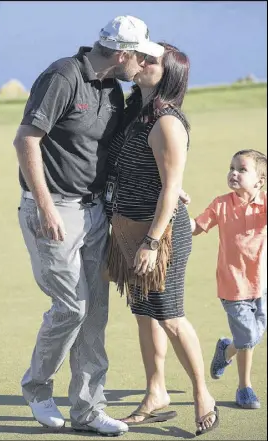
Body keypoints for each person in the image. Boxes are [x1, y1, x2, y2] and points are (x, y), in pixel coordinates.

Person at [13, 15, 165, 436]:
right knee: (71, 308)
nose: (143, 67)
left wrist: (164, 186)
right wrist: (45, 208)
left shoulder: (113, 89)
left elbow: (116, 150)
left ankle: (88, 409)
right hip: (53, 210)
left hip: (95, 211)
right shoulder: (63, 76)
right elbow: (26, 139)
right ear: (123, 54)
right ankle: (38, 388)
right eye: (142, 58)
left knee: (95, 312)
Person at [104, 42, 218, 436]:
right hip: (127, 227)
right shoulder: (136, 109)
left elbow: (171, 189)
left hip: (160, 234)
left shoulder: (167, 121)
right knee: (143, 313)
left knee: (169, 315)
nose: (142, 62)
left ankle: (203, 393)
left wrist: (152, 243)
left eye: (151, 60)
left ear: (167, 73)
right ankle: (156, 392)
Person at [191, 149, 267, 409]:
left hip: (262, 285)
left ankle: (226, 351)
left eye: (242, 169)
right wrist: (174, 212)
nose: (234, 173)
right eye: (231, 167)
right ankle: (244, 387)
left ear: (259, 180)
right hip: (233, 285)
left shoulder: (265, 204)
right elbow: (197, 227)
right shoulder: (221, 204)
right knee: (248, 336)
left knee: (252, 336)